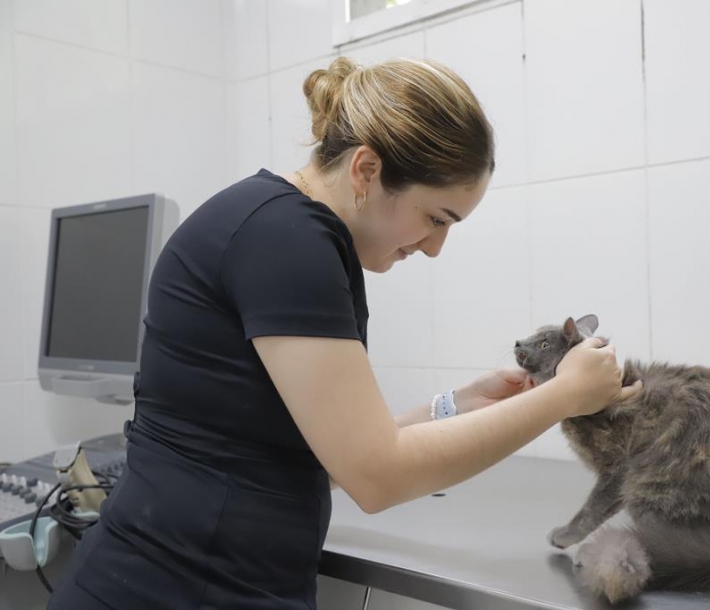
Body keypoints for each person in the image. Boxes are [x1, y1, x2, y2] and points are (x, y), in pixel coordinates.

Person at [47, 57, 641, 609]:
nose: (435, 247)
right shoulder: (288, 241)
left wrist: (457, 406)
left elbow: (318, 452)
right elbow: (376, 476)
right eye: (435, 218)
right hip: (175, 589)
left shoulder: (278, 224)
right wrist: (562, 396)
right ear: (366, 169)